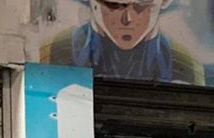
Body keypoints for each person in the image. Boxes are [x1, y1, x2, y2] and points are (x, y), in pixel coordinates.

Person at [40, 0, 204, 84]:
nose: (127, 19)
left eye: (141, 7)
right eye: (113, 6)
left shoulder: (184, 63)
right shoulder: (56, 49)